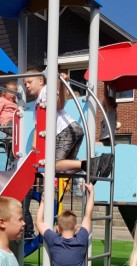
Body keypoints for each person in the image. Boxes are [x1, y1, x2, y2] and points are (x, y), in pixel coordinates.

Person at [23, 68, 112, 237]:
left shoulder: (45, 92)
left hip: (66, 130)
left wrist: (62, 85)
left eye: (30, 82)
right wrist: (36, 145)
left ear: (41, 81)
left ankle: (87, 163)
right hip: (73, 130)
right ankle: (98, 162)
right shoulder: (37, 103)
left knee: (52, 166)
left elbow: (60, 103)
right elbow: (38, 126)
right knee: (63, 170)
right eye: (25, 83)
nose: (27, 86)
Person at [36, 182, 94, 266]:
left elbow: (38, 222)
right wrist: (91, 192)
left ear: (57, 228)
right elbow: (88, 214)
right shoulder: (81, 238)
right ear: (76, 228)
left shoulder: (53, 239)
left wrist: (43, 203)